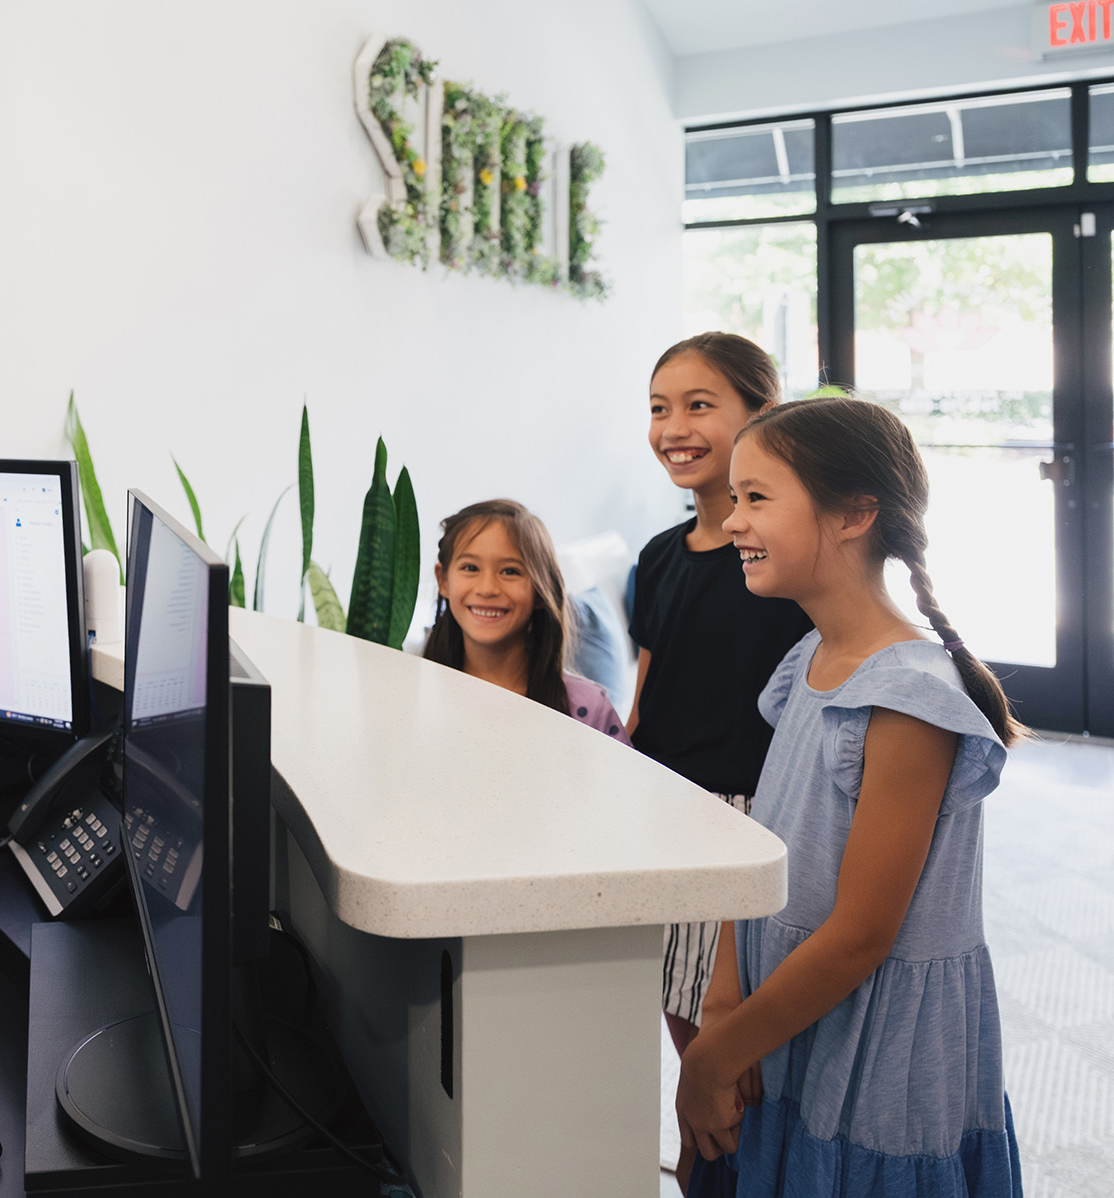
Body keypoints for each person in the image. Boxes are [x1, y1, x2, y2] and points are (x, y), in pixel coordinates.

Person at [675, 395, 1022, 1195]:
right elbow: (765, 837)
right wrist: (724, 1006)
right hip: (785, 1011)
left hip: (874, 1046)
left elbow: (864, 934)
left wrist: (711, 1058)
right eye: (734, 499)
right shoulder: (807, 661)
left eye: (757, 498)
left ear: (854, 514)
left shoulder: (906, 696)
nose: (732, 521)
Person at [629, 333, 814, 1188]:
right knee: (686, 1038)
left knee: (735, 1063)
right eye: (660, 408)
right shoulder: (660, 557)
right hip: (662, 820)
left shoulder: (778, 568)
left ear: (760, 416)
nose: (675, 427)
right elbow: (648, 693)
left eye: (699, 405)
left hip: (747, 826)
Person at [423, 499, 628, 741]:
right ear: (443, 580)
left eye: (510, 571)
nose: (487, 588)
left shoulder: (587, 707)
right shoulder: (413, 692)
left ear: (541, 591)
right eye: (470, 567)